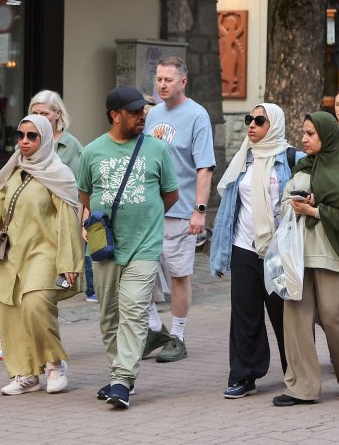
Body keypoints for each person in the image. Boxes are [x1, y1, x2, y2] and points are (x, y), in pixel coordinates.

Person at [76, 86, 179, 409]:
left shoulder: (157, 150)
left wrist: (146, 219)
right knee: (109, 315)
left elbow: (170, 194)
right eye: (134, 112)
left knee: (133, 310)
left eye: (143, 111)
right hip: (105, 248)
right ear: (115, 115)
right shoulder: (92, 152)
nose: (141, 116)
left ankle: (121, 380)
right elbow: (85, 197)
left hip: (144, 247)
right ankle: (121, 375)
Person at [0, 115, 82, 395]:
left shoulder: (59, 175)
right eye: (20, 135)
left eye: (32, 136)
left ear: (45, 139)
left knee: (35, 307)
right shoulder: (13, 172)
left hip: (44, 254)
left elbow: (67, 222)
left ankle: (54, 364)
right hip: (11, 257)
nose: (25, 141)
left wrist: (69, 263)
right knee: (11, 315)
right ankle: (26, 374)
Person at [275, 112, 339, 406]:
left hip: (333, 253)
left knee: (333, 314)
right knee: (296, 319)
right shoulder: (302, 167)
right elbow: (283, 205)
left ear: (327, 135)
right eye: (303, 133)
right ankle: (301, 387)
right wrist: (293, 205)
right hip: (298, 254)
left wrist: (316, 211)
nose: (304, 139)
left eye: (310, 134)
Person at [210, 103, 299, 399]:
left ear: (273, 124)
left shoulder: (292, 159)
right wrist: (221, 252)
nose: (251, 125)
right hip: (243, 246)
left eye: (259, 120)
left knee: (285, 314)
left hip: (278, 251)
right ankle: (244, 375)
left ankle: (297, 372)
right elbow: (228, 207)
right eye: (249, 119)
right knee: (245, 314)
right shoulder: (243, 159)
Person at [143, 56, 216, 364]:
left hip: (181, 210)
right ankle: (153, 329)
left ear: (182, 82)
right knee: (140, 271)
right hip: (149, 210)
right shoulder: (152, 114)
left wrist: (199, 210)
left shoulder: (197, 115)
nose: (162, 84)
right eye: (159, 79)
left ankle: (178, 336)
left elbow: (204, 168)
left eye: (168, 80)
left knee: (179, 275)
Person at [29, 89, 93, 300]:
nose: (40, 118)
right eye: (35, 112)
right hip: (33, 213)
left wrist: (82, 221)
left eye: (44, 113)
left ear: (58, 114)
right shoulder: (27, 141)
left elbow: (81, 189)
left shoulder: (71, 146)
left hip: (61, 214)